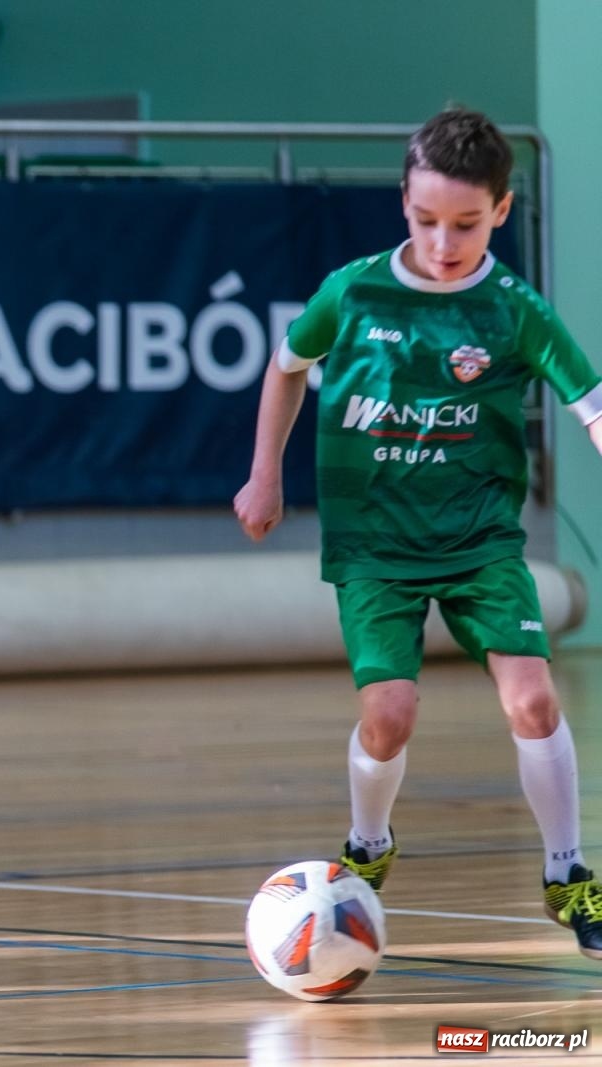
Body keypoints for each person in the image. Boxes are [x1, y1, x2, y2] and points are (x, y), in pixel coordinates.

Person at [234, 108, 602, 958]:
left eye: (467, 224)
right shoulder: (353, 292)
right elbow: (286, 368)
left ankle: (569, 874)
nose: (444, 242)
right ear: (403, 201)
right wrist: (265, 474)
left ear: (501, 210)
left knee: (534, 698)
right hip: (373, 546)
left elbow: (592, 406)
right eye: (427, 219)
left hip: (480, 539)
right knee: (389, 714)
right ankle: (368, 841)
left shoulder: (514, 310)